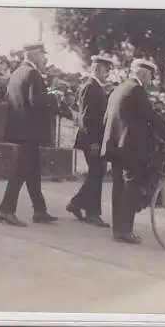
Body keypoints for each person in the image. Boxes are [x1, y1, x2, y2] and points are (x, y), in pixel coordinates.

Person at [101, 58, 165, 244]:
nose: (150, 82)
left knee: (118, 188)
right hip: (129, 148)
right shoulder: (136, 90)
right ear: (143, 74)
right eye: (150, 77)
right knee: (130, 188)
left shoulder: (120, 88)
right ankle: (126, 231)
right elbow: (150, 115)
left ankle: (118, 229)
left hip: (115, 146)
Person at [0, 42, 59, 227]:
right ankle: (6, 210)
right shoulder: (33, 74)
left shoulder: (17, 72)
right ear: (33, 55)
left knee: (33, 171)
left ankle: (40, 210)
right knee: (21, 171)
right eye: (42, 54)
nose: (44, 58)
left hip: (20, 129)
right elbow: (36, 101)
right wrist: (53, 96)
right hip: (31, 131)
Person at [67, 55, 114, 227]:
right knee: (97, 173)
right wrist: (94, 141)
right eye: (105, 69)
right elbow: (86, 118)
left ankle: (81, 205)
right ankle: (89, 211)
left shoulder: (96, 87)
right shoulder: (90, 87)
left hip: (94, 139)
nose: (108, 73)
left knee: (97, 173)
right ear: (96, 69)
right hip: (91, 140)